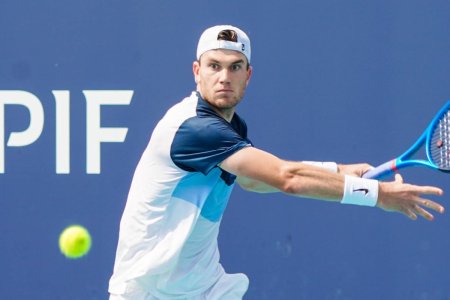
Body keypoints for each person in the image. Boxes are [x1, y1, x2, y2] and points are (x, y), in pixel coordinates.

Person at [108, 25, 445, 300]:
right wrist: (376, 194)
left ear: (248, 75)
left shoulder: (229, 128)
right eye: (214, 66)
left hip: (202, 289)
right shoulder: (195, 128)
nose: (224, 76)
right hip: (148, 292)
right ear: (197, 72)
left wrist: (336, 170)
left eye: (234, 67)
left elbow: (255, 179)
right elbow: (287, 178)